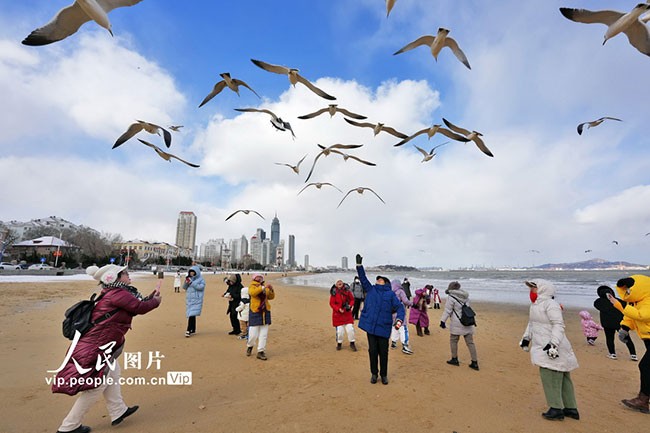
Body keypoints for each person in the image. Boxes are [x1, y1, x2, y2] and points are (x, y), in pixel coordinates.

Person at [52, 264, 162, 433]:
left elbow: (133, 305)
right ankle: (68, 426)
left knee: (114, 372)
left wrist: (149, 298)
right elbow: (138, 308)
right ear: (113, 277)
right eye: (124, 273)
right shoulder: (117, 294)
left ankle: (118, 410)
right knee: (96, 386)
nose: (128, 275)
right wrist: (155, 302)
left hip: (99, 345)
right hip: (95, 347)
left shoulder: (114, 293)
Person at [520, 280, 579, 421]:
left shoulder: (550, 304)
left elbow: (558, 325)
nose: (532, 290)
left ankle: (556, 408)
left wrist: (553, 343)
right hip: (543, 344)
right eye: (531, 288)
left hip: (552, 346)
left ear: (542, 289)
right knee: (562, 375)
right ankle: (570, 408)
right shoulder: (536, 305)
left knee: (550, 375)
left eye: (534, 288)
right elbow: (532, 323)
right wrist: (526, 339)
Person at [356, 254, 405, 385]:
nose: (378, 280)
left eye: (380, 279)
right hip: (371, 327)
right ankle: (374, 374)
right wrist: (359, 266)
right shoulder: (371, 290)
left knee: (383, 352)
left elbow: (400, 308)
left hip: (383, 327)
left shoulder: (390, 295)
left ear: (386, 283)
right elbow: (363, 278)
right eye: (377, 279)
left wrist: (399, 320)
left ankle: (384, 375)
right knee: (372, 351)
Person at [608, 275, 650, 413]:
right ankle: (643, 400)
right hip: (647, 339)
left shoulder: (648, 299)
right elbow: (631, 316)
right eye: (625, 290)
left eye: (629, 290)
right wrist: (624, 328)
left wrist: (622, 306)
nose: (627, 293)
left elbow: (642, 315)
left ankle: (643, 400)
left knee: (645, 366)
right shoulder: (636, 301)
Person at [440, 281, 479, 371]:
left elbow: (447, 310)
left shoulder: (451, 297)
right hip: (467, 322)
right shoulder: (465, 296)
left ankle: (454, 359)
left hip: (457, 323)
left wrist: (442, 321)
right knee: (470, 343)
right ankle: (475, 362)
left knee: (453, 341)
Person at [593, 285, 637, 360]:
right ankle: (633, 355)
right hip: (619, 322)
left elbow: (597, 306)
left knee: (610, 338)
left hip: (607, 323)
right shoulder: (618, 300)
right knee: (627, 338)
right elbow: (627, 305)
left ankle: (612, 354)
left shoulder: (598, 301)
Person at [246, 273, 275, 360]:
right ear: (254, 278)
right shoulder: (252, 286)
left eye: (261, 277)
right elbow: (253, 293)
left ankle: (261, 351)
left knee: (263, 334)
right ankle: (250, 346)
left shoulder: (264, 287)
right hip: (255, 311)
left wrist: (271, 290)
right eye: (258, 277)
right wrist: (262, 288)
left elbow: (271, 297)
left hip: (265, 312)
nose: (260, 278)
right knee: (253, 335)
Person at [329, 279, 357, 351]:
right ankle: (339, 343)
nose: (339, 283)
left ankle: (352, 343)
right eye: (338, 282)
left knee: (350, 330)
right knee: (340, 332)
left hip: (347, 313)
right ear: (336, 284)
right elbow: (332, 303)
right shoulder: (333, 292)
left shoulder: (347, 290)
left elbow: (352, 299)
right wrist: (338, 309)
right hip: (338, 315)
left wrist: (350, 306)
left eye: (340, 281)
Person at [390, 279, 413, 354]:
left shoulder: (390, 292)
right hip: (400, 312)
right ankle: (405, 345)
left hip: (392, 313)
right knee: (403, 328)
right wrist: (412, 304)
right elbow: (405, 301)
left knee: (394, 327)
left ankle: (393, 343)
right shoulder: (400, 291)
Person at [183, 265, 205, 337]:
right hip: (189, 299)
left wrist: (192, 283)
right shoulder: (189, 278)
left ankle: (188, 330)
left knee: (191, 315)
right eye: (191, 272)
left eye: (193, 272)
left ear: (196, 272)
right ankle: (193, 328)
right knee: (192, 314)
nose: (192, 273)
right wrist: (186, 282)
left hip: (196, 299)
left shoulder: (201, 279)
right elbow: (184, 288)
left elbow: (201, 287)